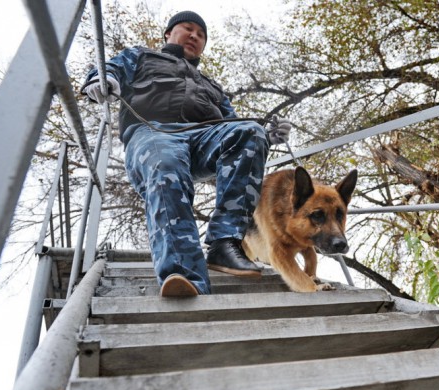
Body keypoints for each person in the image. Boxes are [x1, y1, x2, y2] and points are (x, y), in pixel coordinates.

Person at [82, 11, 290, 297]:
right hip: (153, 133)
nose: (194, 36)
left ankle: (224, 244)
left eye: (201, 34)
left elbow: (233, 129)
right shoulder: (142, 57)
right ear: (168, 34)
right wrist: (101, 79)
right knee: (166, 164)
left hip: (201, 137)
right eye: (188, 28)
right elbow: (110, 68)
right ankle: (185, 275)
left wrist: (267, 137)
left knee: (250, 131)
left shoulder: (212, 86)